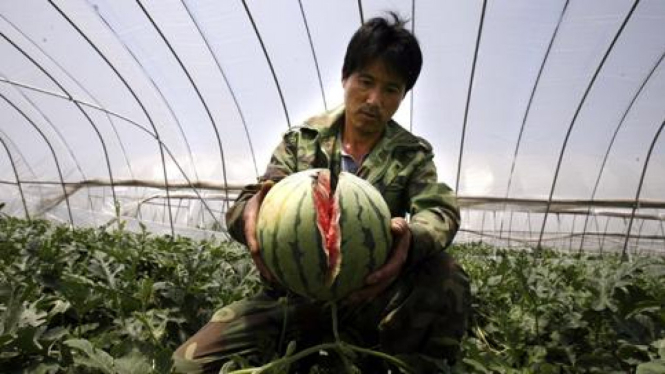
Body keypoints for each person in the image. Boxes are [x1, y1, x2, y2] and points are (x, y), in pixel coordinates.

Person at [173, 12, 470, 373]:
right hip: (291, 295)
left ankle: (403, 358)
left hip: (368, 296)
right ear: (345, 78)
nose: (374, 99)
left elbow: (439, 211)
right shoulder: (302, 141)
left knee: (446, 273)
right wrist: (251, 209)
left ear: (403, 95)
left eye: (391, 89)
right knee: (187, 365)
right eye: (366, 81)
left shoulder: (411, 154)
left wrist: (411, 237)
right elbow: (253, 198)